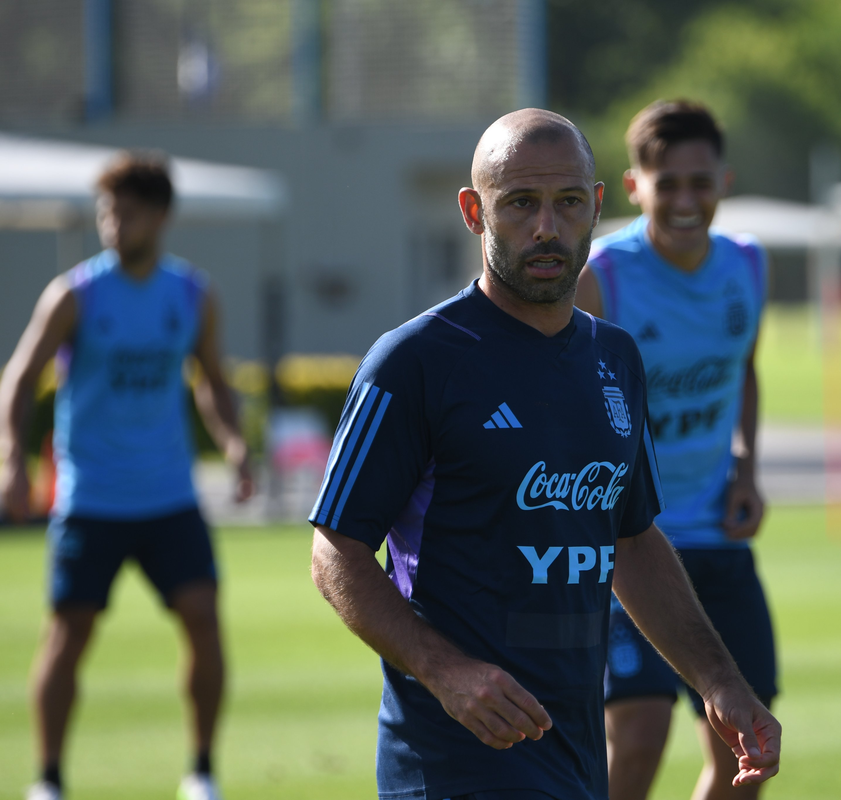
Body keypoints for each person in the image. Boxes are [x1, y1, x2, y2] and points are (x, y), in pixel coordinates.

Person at [308, 108, 780, 800]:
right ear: (474, 211)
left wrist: (719, 682)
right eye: (520, 203)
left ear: (595, 205)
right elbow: (335, 551)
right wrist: (446, 672)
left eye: (566, 204)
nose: (545, 228)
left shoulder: (614, 356)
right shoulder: (414, 362)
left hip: (574, 754)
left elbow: (635, 540)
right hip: (454, 760)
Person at [0, 152, 253, 800]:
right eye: (107, 212)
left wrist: (233, 444)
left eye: (128, 212)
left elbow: (212, 382)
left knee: (202, 616)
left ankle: (200, 771)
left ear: (161, 217)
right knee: (69, 630)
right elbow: (20, 379)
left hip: (169, 495)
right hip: (93, 498)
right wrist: (11, 461)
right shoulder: (75, 295)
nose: (114, 224)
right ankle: (49, 779)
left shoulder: (192, 294)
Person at [574, 100, 776, 800]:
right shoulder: (602, 276)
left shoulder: (748, 265)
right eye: (670, 184)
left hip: (719, 540)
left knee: (746, 751)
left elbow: (742, 369)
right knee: (636, 739)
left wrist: (746, 470)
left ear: (725, 178)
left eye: (702, 182)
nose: (687, 200)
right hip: (632, 544)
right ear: (636, 187)